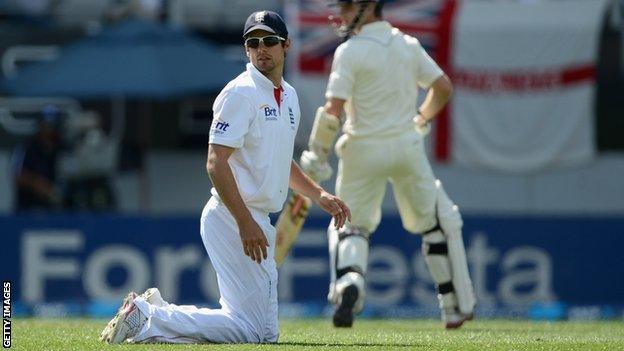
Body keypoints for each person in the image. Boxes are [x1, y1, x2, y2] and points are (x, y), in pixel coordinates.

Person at [100, 10, 351, 344]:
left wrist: (319, 195)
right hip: (234, 217)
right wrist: (245, 221)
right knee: (256, 332)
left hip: (252, 218)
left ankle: (151, 314)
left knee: (257, 330)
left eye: (270, 41)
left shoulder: (289, 96)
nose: (262, 49)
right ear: (246, 50)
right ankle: (150, 317)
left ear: (286, 44)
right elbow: (216, 162)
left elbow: (279, 161)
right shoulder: (240, 94)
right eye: (253, 43)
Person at [299, 0, 476, 329]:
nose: (342, 14)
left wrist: (317, 155)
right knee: (435, 224)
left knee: (352, 225)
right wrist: (422, 119)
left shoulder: (350, 51)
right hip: (407, 146)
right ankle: (453, 307)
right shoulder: (407, 45)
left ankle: (351, 281)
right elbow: (443, 88)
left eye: (348, 7)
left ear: (368, 8)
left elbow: (333, 110)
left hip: (362, 149)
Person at [12, 105, 63, 212]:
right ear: (40, 125)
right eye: (46, 125)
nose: (49, 129)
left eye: (52, 125)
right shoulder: (27, 146)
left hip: (55, 208)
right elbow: (17, 174)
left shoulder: (62, 147)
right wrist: (37, 183)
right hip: (27, 207)